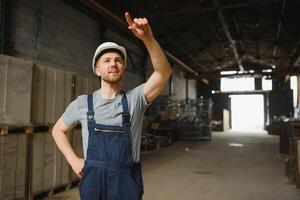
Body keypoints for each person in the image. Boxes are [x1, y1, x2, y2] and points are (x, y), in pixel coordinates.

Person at [52, 12, 172, 200]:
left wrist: (148, 38)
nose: (113, 64)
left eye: (118, 60)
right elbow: (57, 130)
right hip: (93, 183)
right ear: (97, 69)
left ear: (123, 68)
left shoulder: (135, 100)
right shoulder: (83, 104)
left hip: (126, 183)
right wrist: (73, 160)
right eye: (107, 60)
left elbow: (164, 72)